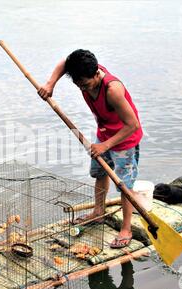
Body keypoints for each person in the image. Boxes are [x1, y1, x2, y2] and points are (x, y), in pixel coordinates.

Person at [38, 49, 143, 248]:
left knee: (125, 185)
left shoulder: (112, 90)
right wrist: (50, 84)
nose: (83, 88)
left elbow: (133, 125)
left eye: (85, 84)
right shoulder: (82, 75)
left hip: (124, 139)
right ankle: (98, 211)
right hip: (103, 134)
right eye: (78, 85)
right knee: (99, 173)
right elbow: (64, 62)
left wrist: (105, 145)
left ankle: (126, 229)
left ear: (96, 74)